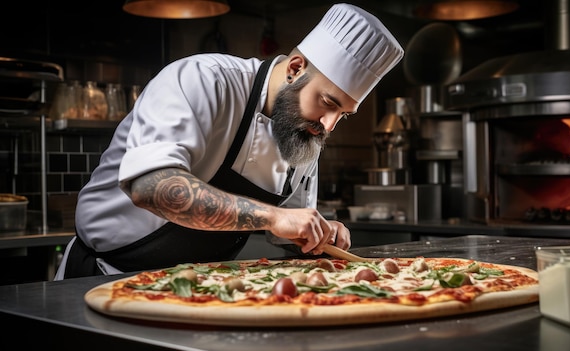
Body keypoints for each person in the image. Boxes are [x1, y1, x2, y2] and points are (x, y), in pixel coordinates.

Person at [54, 3, 404, 279]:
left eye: (344, 114)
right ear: (296, 67)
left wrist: (317, 234)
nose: (329, 125)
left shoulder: (302, 130)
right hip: (103, 275)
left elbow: (288, 228)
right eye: (328, 103)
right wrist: (271, 217)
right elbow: (150, 186)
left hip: (195, 288)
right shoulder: (203, 80)